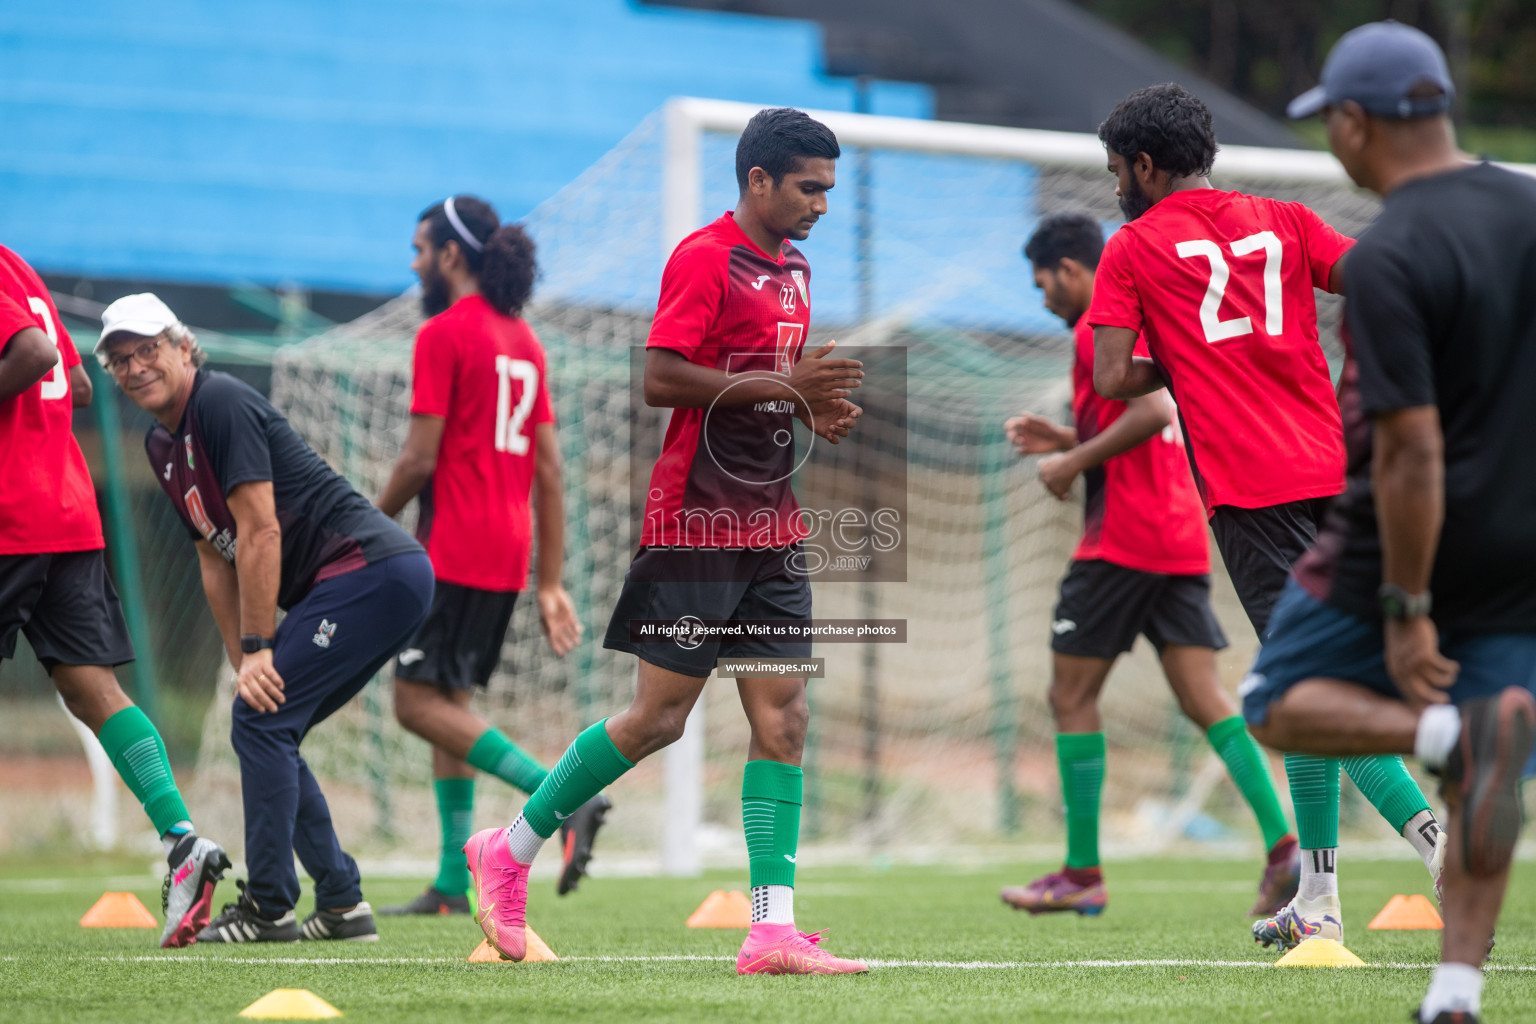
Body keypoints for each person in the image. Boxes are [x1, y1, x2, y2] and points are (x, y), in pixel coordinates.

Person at [462, 107, 866, 974]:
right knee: (659, 720)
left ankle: (770, 931)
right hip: (699, 521)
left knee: (784, 718)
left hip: (773, 522)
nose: (822, 206)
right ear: (758, 180)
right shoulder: (703, 257)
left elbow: (763, 391)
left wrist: (807, 405)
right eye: (810, 188)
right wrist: (785, 385)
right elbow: (661, 378)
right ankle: (512, 848)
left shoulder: (795, 268)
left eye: (830, 191)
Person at [1086, 82, 1443, 951]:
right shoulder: (1283, 218)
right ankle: (1318, 898)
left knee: (1302, 694)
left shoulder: (1132, 247)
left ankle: (1443, 845)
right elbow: (1373, 277)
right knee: (1312, 685)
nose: (1115, 188)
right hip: (1340, 477)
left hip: (1254, 496)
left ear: (1142, 163)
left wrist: (1184, 362)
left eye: (1115, 171)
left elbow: (1107, 378)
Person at [1244, 22, 1536, 1024]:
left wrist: (1407, 606)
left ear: (1356, 123)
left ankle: (1449, 727)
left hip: (1398, 539)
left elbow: (1411, 450)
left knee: (1274, 700)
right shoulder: (1530, 207)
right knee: (1487, 777)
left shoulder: (1390, 253)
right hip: (1523, 541)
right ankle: (1454, 993)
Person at [98, 293, 433, 943]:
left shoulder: (219, 402)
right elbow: (212, 557)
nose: (136, 367)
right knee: (268, 721)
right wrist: (240, 659)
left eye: (148, 350)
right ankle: (341, 904)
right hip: (357, 583)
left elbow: (259, 532)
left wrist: (259, 647)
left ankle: (270, 906)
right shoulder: (161, 444)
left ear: (183, 346)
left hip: (374, 571)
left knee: (262, 718)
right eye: (119, 360)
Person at [999, 212, 1297, 918]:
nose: (1043, 299)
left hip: (1121, 543)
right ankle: (1284, 846)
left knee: (1070, 697)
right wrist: (1069, 435)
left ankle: (1081, 871)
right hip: (1179, 537)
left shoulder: (1092, 329)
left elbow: (1156, 412)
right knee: (1205, 701)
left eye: (1044, 284)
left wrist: (1070, 459)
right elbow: (1141, 427)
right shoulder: (1143, 321)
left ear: (1072, 270)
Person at [375, 195, 608, 917]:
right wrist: (549, 581)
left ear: (451, 255)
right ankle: (452, 879)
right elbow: (550, 470)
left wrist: (364, 527)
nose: (414, 262)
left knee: (414, 704)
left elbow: (418, 458)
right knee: (451, 703)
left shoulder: (445, 334)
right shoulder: (525, 342)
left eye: (420, 248)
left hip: (450, 546)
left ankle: (560, 797)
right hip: (506, 552)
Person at [0, 254, 228, 949]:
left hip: (9, 514)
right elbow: (75, 384)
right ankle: (183, 841)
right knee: (93, 689)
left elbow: (36, 354)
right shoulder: (17, 268)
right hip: (63, 509)